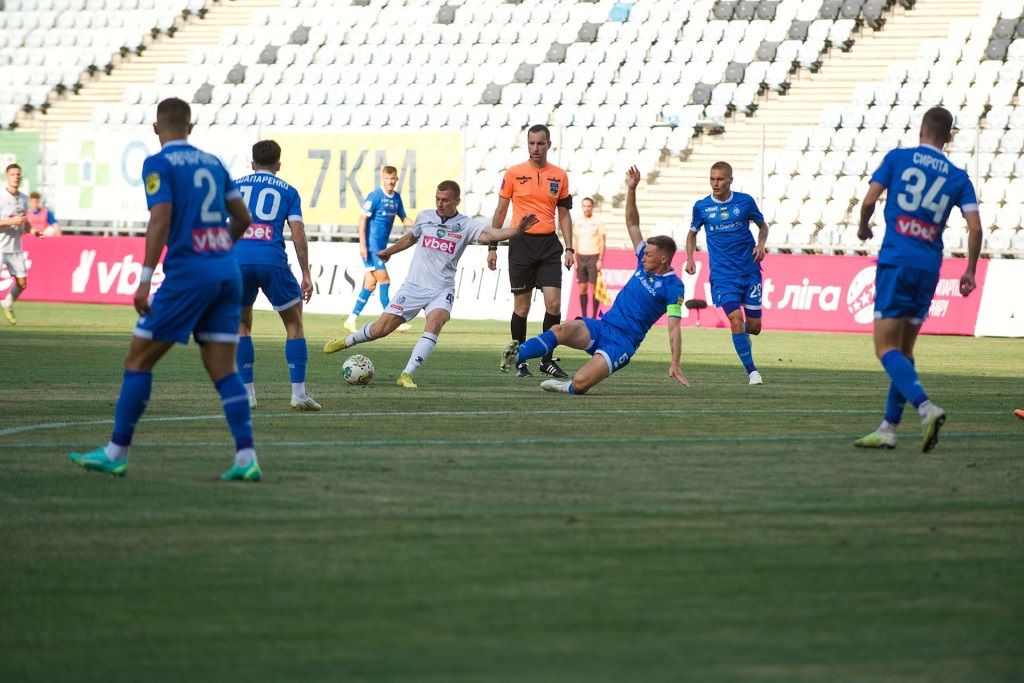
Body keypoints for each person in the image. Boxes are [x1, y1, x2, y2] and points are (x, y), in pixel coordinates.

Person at [69, 97, 260, 481]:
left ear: (157, 129)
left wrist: (144, 278)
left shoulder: (158, 163)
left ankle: (116, 452)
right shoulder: (213, 162)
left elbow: (161, 217)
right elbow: (243, 217)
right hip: (227, 273)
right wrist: (221, 246)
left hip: (189, 274)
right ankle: (246, 457)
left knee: (138, 360)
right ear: (191, 127)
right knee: (223, 369)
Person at [853, 106, 982, 453]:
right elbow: (975, 227)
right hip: (928, 267)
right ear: (948, 137)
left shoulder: (898, 158)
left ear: (921, 130)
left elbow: (868, 201)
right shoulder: (958, 177)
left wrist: (864, 226)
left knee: (884, 348)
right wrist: (969, 270)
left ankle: (926, 407)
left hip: (896, 261)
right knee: (905, 351)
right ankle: (888, 428)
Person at [324, 180, 538, 387]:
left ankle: (406, 374)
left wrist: (518, 229)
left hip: (442, 289)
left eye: (445, 200)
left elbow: (493, 233)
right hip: (414, 286)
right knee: (381, 329)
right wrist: (389, 252)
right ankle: (348, 340)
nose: (440, 203)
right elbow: (410, 237)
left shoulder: (465, 225)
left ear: (456, 201)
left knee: (435, 323)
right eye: (437, 199)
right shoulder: (425, 217)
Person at [502, 166, 689, 395]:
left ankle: (566, 386)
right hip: (603, 326)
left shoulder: (673, 287)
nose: (644, 255)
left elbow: (674, 328)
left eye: (649, 254)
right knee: (561, 329)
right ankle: (517, 355)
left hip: (622, 343)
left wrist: (675, 363)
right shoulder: (643, 259)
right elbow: (632, 225)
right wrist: (631, 190)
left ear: (664, 258)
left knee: (580, 384)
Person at [234, 139, 320, 412]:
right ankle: (299, 394)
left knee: (241, 326)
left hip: (237, 260)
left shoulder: (234, 186)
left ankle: (247, 395)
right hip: (272, 259)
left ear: (252, 163)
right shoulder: (289, 191)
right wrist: (306, 272)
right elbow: (297, 233)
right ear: (278, 165)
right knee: (294, 325)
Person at [488, 124, 574, 379]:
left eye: (540, 143)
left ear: (549, 144)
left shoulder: (559, 175)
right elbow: (501, 211)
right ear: (527, 145)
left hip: (548, 244)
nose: (535, 148)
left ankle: (547, 359)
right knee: (522, 307)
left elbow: (565, 215)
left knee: (554, 303)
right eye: (531, 143)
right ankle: (520, 360)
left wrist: (569, 247)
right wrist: (493, 245)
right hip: (520, 243)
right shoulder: (514, 174)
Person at [685, 161, 769, 385]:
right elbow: (692, 233)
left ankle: (745, 338)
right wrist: (690, 258)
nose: (715, 183)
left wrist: (761, 245)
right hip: (723, 276)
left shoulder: (745, 202)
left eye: (720, 179)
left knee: (754, 328)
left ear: (730, 180)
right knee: (735, 319)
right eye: (712, 178)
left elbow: (763, 226)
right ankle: (752, 372)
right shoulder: (702, 207)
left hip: (749, 271)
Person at [342, 165, 414, 333]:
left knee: (370, 285)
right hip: (372, 248)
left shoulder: (396, 198)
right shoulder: (375, 196)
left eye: (393, 178)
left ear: (396, 179)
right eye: (387, 178)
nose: (390, 181)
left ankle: (351, 319)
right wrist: (362, 245)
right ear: (383, 178)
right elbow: (362, 220)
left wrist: (420, 225)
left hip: (382, 249)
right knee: (385, 281)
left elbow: (404, 219)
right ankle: (392, 321)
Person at [0, 164, 38, 325]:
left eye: (18, 174)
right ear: (6, 177)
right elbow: (14, 220)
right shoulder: (1, 196)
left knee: (22, 284)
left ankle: (7, 302)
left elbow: (24, 221)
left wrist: (34, 231)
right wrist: (11, 221)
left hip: (15, 248)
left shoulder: (23, 199)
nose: (16, 177)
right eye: (12, 174)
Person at [574, 196, 606, 318]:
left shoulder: (597, 221)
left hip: (593, 257)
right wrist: (575, 258)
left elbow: (603, 241)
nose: (586, 208)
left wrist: (600, 259)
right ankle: (583, 316)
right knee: (582, 288)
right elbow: (576, 240)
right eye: (584, 206)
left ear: (592, 207)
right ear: (582, 207)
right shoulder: (578, 222)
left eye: (588, 206)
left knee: (594, 288)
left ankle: (593, 316)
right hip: (581, 257)